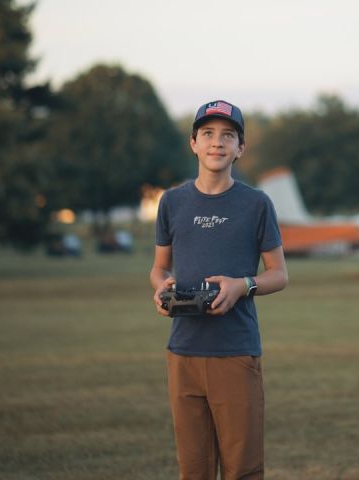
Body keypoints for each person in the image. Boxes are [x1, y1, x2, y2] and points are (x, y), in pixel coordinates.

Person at [150, 100, 288, 480]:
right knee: (193, 470)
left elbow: (279, 274)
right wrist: (162, 287)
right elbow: (160, 267)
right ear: (193, 143)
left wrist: (242, 285)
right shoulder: (172, 202)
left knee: (242, 469)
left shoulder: (256, 204)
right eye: (208, 134)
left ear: (240, 148)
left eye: (228, 135)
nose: (217, 142)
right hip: (183, 352)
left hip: (235, 353)